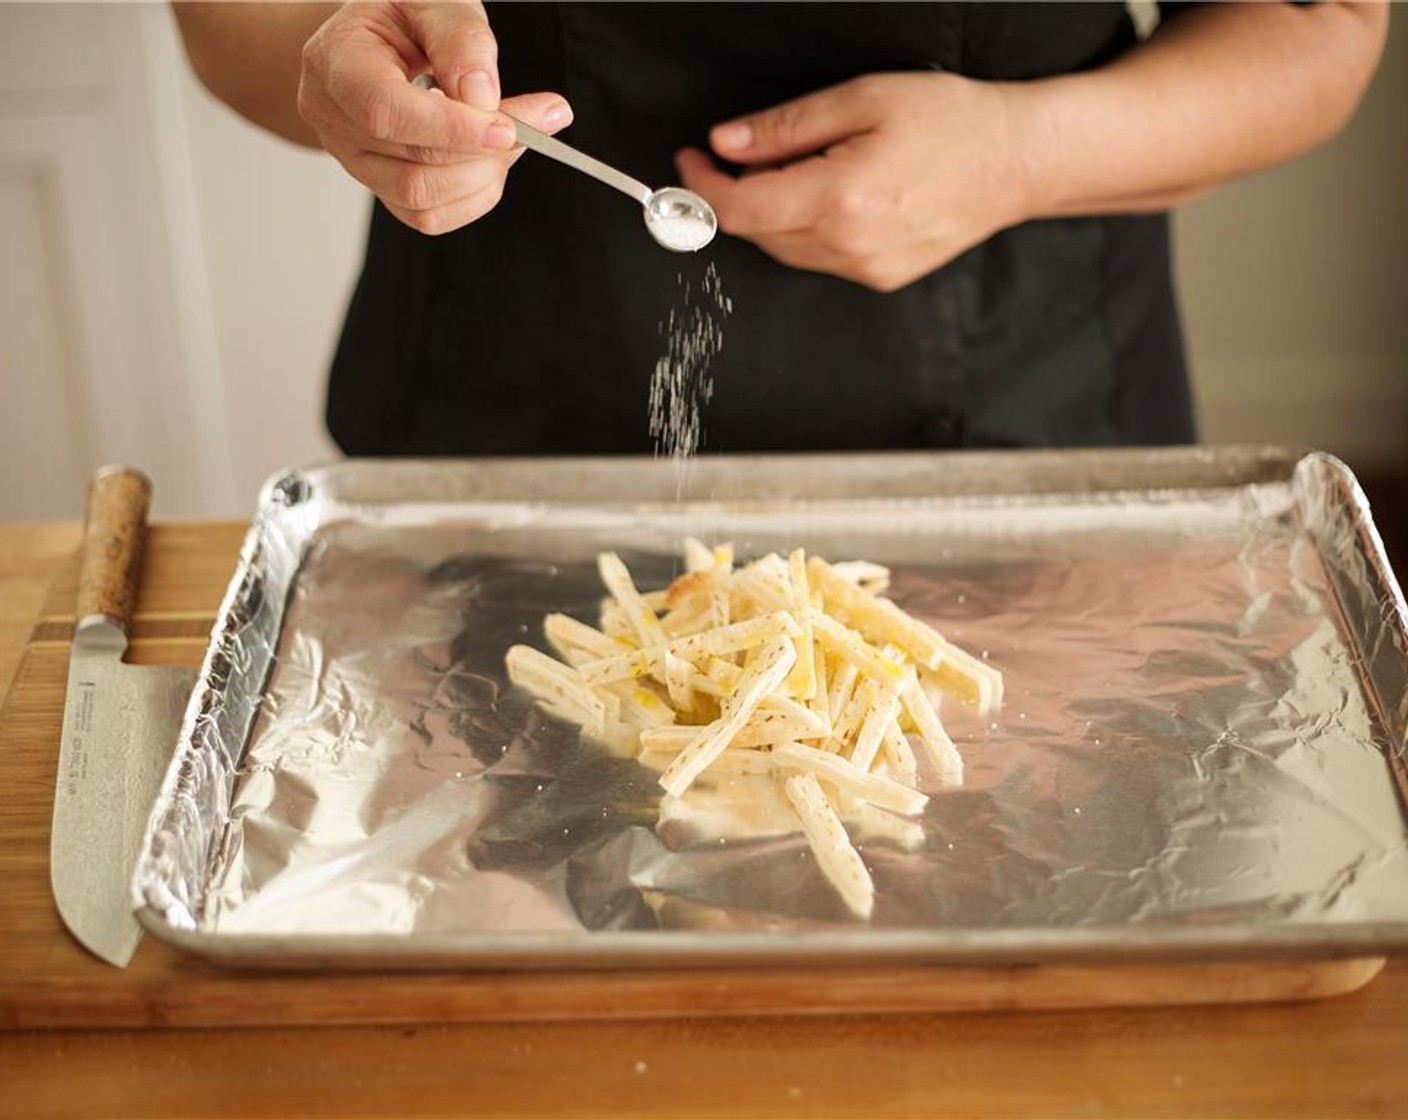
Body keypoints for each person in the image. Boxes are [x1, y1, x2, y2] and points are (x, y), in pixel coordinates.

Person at [174, 2, 1388, 457]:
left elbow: (1319, 29)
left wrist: (1021, 155)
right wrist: (339, 63)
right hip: (508, 398)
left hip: (1024, 416)